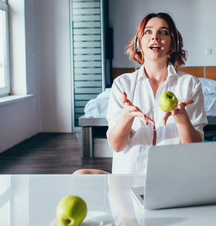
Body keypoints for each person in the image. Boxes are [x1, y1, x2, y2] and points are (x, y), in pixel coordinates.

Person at [73, 12, 208, 175]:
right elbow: (116, 146)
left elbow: (194, 149)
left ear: (172, 45)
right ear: (139, 43)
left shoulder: (190, 84)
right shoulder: (122, 84)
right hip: (130, 178)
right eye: (148, 32)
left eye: (163, 32)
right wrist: (126, 117)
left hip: (174, 179)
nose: (155, 37)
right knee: (80, 175)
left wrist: (181, 117)